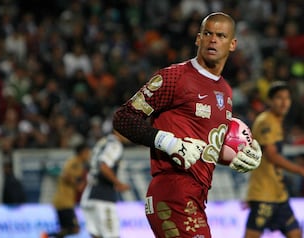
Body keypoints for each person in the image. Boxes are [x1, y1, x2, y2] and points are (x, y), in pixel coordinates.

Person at [112, 12, 262, 238]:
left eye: (220, 36)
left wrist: (235, 155)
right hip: (173, 191)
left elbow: (201, 146)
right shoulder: (174, 77)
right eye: (208, 33)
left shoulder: (226, 91)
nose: (213, 39)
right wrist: (169, 143)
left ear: (232, 44)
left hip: (196, 196)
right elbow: (123, 118)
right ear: (198, 39)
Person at [244, 81, 304, 238]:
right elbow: (272, 155)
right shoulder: (266, 121)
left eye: (287, 98)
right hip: (264, 194)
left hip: (278, 194)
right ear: (269, 100)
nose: (284, 102)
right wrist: (299, 170)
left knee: (296, 233)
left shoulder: (276, 121)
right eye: (279, 98)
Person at [80, 130, 131, 238]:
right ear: (117, 131)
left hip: (89, 195)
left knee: (96, 235)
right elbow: (104, 166)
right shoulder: (115, 145)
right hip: (103, 197)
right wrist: (118, 183)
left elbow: (90, 165)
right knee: (112, 235)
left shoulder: (103, 141)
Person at [47, 142, 91, 238]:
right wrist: (77, 184)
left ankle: (47, 236)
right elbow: (65, 175)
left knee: (65, 229)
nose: (89, 155)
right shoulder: (75, 162)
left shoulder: (79, 164)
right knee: (75, 229)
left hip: (64, 201)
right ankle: (47, 236)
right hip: (64, 202)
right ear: (83, 152)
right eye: (88, 152)